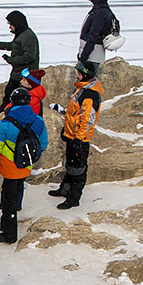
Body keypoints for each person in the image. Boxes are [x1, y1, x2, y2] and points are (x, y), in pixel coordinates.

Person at [0, 86, 46, 245]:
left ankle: (9, 235)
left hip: (8, 169)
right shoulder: (38, 120)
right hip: (26, 166)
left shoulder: (6, 124)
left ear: (12, 102)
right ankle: (16, 208)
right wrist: (30, 159)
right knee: (18, 188)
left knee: (8, 202)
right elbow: (43, 144)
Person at [49, 62, 102, 210]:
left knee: (78, 170)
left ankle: (73, 198)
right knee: (71, 166)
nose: (76, 75)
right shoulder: (81, 90)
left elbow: (87, 120)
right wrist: (67, 131)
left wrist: (79, 138)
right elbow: (73, 114)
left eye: (79, 73)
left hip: (80, 139)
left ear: (85, 75)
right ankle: (65, 189)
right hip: (72, 136)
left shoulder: (89, 95)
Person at [0, 11, 40, 114]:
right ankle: (0, 114)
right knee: (9, 94)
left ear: (17, 24)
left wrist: (11, 60)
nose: (10, 27)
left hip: (25, 76)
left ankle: (4, 115)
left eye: (11, 24)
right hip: (18, 73)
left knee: (15, 97)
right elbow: (14, 46)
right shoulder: (21, 34)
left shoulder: (28, 37)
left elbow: (29, 57)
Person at [77, 0, 115, 76]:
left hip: (92, 56)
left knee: (88, 82)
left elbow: (94, 35)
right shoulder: (100, 9)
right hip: (91, 54)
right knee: (85, 82)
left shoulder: (100, 12)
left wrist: (84, 55)